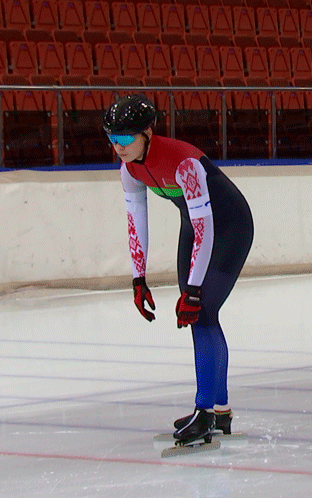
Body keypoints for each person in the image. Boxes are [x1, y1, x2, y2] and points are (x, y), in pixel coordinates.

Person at [103, 94, 254, 444]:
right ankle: (219, 411)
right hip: (195, 225)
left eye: (125, 138)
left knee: (200, 312)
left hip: (229, 227)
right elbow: (136, 220)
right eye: (112, 139)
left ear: (147, 133)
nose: (119, 147)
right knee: (201, 317)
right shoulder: (129, 169)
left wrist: (194, 290)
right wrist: (138, 278)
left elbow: (207, 226)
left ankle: (206, 413)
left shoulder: (183, 162)